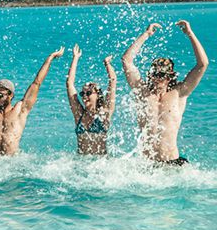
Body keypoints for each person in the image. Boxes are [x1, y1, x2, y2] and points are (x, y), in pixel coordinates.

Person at [122, 20, 209, 165]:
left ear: (170, 76)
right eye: (154, 73)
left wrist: (190, 34)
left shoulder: (180, 92)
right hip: (147, 165)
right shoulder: (142, 91)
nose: (157, 78)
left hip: (172, 163)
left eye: (162, 75)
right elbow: (126, 61)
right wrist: (146, 34)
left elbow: (202, 64)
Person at [0, 40, 64, 156]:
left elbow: (36, 83)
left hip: (11, 163)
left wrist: (50, 58)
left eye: (0, 95)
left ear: (10, 95)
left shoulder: (20, 109)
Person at [66, 44, 117, 155]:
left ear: (98, 95)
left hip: (100, 164)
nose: (84, 96)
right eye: (82, 93)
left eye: (88, 93)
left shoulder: (105, 113)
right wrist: (75, 58)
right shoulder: (79, 114)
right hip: (81, 163)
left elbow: (112, 82)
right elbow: (69, 84)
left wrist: (107, 64)